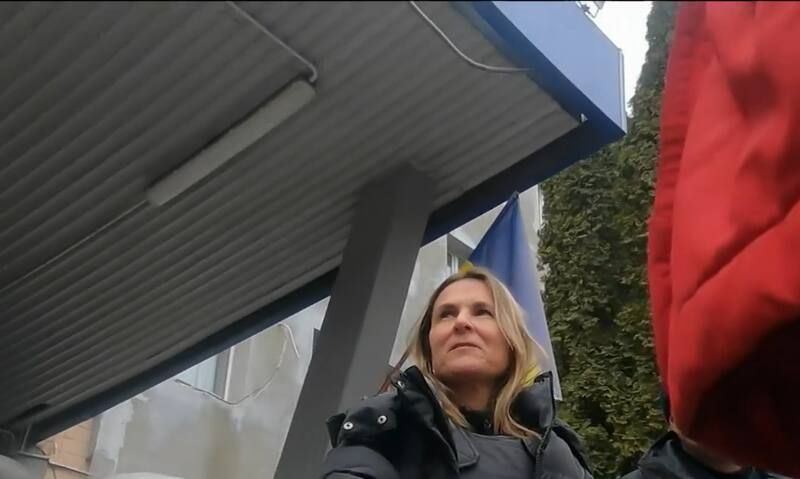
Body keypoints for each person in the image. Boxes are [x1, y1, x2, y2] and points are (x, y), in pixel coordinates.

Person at [319, 267, 593, 478]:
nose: (461, 322)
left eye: (482, 312)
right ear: (429, 344)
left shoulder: (557, 448)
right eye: (446, 314)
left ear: (512, 342)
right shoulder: (384, 427)